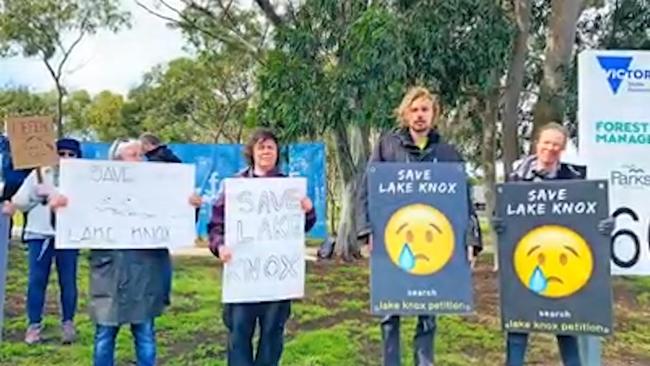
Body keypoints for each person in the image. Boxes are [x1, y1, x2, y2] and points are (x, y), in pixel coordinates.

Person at [357, 86, 483, 366]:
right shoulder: (387, 146)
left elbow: (463, 199)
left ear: (434, 114)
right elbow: (367, 191)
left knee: (429, 310)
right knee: (390, 311)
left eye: (425, 109)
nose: (419, 115)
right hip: (393, 243)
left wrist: (471, 239)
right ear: (405, 114)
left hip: (434, 247)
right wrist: (366, 232)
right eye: (414, 110)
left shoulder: (448, 153)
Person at [49, 138, 202, 366]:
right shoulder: (95, 188)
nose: (139, 158)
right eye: (133, 154)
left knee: (145, 334)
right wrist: (60, 208)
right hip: (110, 272)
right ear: (117, 160)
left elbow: (177, 224)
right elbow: (67, 225)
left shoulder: (158, 188)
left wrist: (191, 207)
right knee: (105, 334)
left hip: (146, 271)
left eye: (141, 154)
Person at [492, 122, 614, 366]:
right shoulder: (516, 177)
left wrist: (604, 225)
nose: (551, 149)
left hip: (564, 267)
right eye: (547, 143)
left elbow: (589, 217)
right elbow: (503, 214)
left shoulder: (574, 178)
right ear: (537, 143)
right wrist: (499, 223)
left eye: (557, 145)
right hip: (525, 264)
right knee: (518, 329)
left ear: (564, 148)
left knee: (566, 328)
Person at [208, 128, 317, 366]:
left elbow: (303, 227)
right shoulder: (235, 186)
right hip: (242, 279)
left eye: (271, 147)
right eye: (261, 147)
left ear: (277, 152)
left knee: (272, 336)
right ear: (252, 152)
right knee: (238, 335)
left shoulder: (289, 188)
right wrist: (221, 246)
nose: (266, 151)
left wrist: (308, 211)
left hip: (276, 280)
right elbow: (215, 226)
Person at [1, 138, 82, 344]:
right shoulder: (39, 173)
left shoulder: (82, 177)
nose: (65, 158)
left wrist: (67, 200)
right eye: (61, 153)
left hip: (68, 236)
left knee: (68, 281)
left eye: (71, 154)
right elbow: (20, 203)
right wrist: (37, 196)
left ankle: (68, 324)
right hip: (40, 233)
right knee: (37, 281)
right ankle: (34, 326)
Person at [139, 132, 183, 307]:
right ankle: (163, 294)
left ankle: (157, 294)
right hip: (165, 216)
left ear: (148, 145)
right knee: (162, 254)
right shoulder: (172, 159)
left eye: (140, 150)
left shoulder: (155, 162)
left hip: (155, 214)